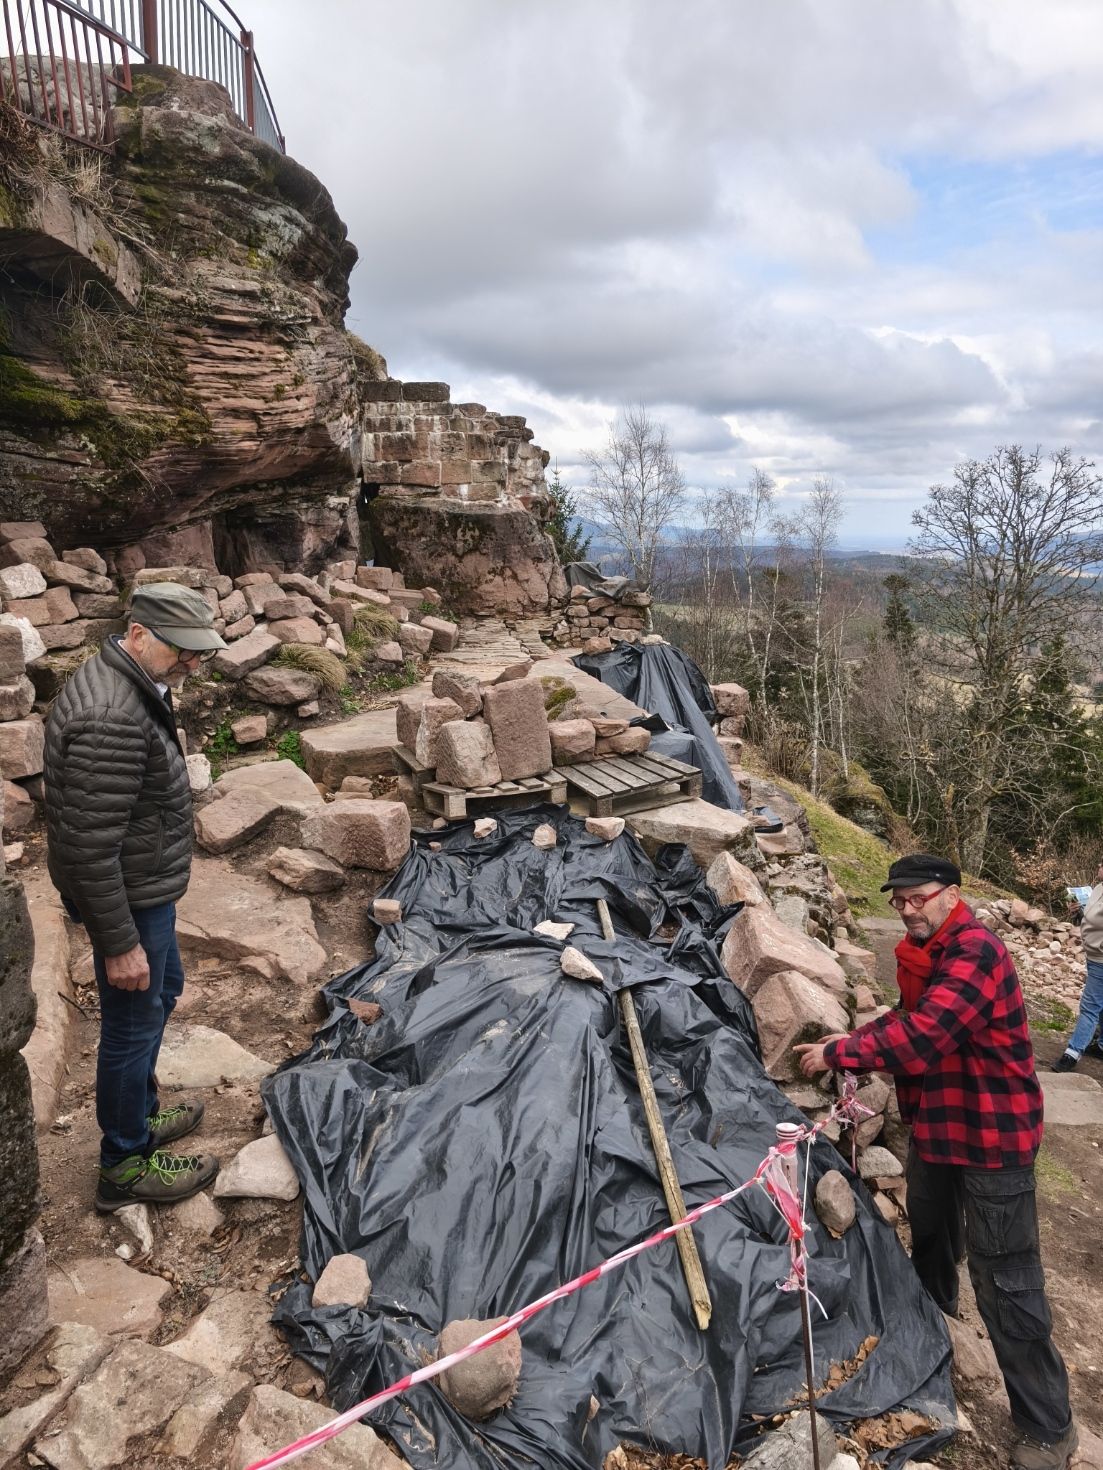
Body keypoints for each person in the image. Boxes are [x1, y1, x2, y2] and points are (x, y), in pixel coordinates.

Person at [794, 853, 1077, 1470]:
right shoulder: (929, 953)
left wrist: (841, 1053)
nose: (905, 909)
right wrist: (853, 1042)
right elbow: (910, 1017)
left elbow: (924, 1038)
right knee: (931, 1239)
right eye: (897, 900)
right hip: (939, 1127)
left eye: (916, 897)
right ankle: (937, 1340)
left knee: (1006, 1277)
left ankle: (1047, 1425)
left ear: (951, 893)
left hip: (992, 1136)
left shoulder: (976, 953)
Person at [44, 584, 226, 1211]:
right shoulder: (111, 716)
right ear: (140, 632)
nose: (193, 663)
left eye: (200, 651)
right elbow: (88, 848)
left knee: (162, 991)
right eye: (184, 650)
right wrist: (119, 943)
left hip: (141, 885)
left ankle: (141, 1116)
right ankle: (122, 1163)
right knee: (130, 1023)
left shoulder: (132, 679)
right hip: (126, 897)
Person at [1051, 860, 1103, 1071]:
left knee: (1090, 1006)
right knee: (1100, 1002)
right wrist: (1077, 912)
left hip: (1101, 959)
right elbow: (1090, 920)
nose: (1099, 865)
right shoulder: (1098, 888)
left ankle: (1073, 1053)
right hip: (1093, 955)